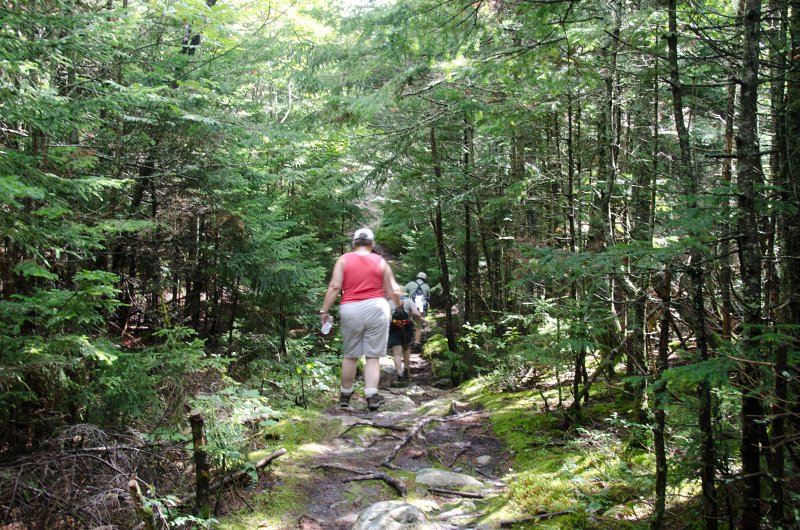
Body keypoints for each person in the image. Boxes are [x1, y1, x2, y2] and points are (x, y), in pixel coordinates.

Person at [320, 228, 401, 411]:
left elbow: (334, 286)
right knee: (372, 356)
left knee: (351, 355)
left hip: (350, 308)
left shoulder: (343, 259)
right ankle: (372, 396)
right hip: (376, 308)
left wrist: (324, 310)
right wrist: (397, 306)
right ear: (372, 244)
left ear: (354, 243)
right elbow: (394, 290)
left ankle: (345, 396)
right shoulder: (380, 261)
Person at [387, 293, 423, 385]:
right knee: (406, 349)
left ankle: (400, 374)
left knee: (396, 353)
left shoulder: (389, 302)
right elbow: (415, 312)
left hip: (394, 328)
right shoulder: (409, 301)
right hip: (407, 328)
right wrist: (420, 318)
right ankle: (407, 368)